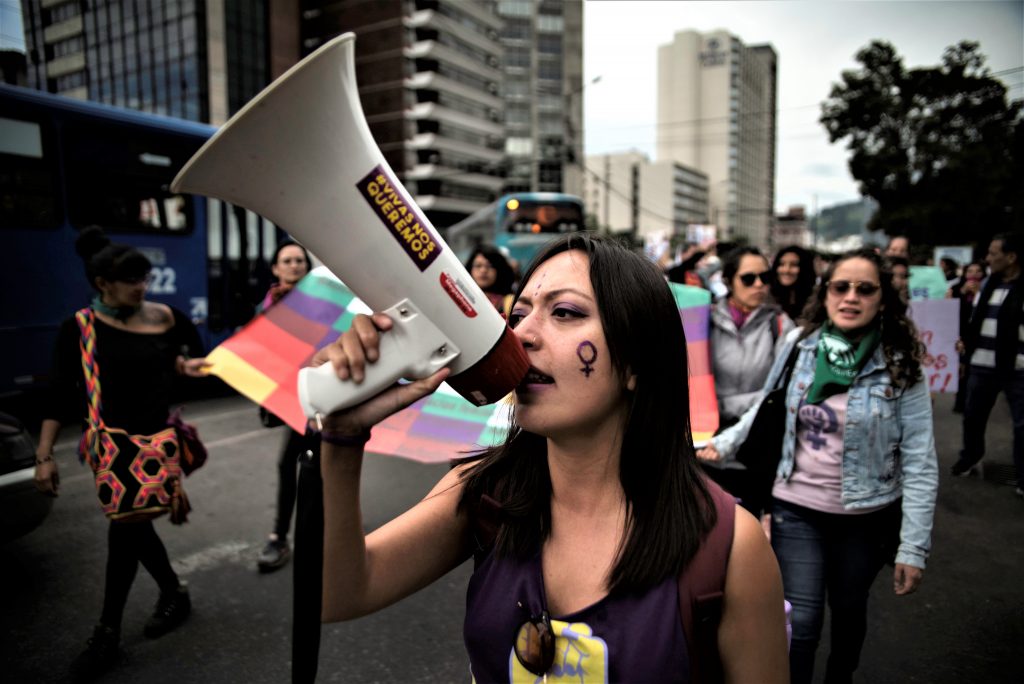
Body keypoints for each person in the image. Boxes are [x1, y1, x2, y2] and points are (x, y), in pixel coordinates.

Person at [315, 234, 788, 681]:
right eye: (517, 316)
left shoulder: (728, 546)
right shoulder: (483, 493)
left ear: (636, 364)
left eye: (563, 312)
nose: (520, 336)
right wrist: (342, 438)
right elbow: (336, 594)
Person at [698, 247, 939, 684]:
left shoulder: (902, 364)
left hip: (866, 517)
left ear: (882, 299)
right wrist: (723, 443)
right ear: (825, 294)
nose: (851, 297)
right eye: (840, 287)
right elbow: (766, 407)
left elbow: (921, 459)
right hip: (796, 508)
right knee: (802, 623)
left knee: (848, 613)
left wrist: (913, 546)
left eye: (865, 289)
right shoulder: (799, 345)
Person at [33, 226, 208, 682]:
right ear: (101, 283)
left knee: (127, 529)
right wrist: (44, 454)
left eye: (145, 278)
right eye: (131, 280)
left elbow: (188, 358)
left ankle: (108, 631)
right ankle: (172, 592)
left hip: (157, 447)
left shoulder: (166, 317)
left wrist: (186, 366)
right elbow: (57, 395)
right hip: (112, 449)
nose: (141, 287)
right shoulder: (79, 327)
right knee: (132, 526)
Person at [706, 246, 794, 514]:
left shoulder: (780, 324)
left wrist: (724, 404)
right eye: (748, 278)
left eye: (765, 277)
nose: (759, 285)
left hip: (755, 449)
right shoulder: (702, 321)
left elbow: (780, 392)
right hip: (705, 445)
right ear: (728, 281)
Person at [257, 240, 316, 572]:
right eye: (287, 261)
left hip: (322, 400)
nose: (294, 265)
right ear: (276, 269)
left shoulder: (324, 303)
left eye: (299, 260)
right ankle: (285, 536)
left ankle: (285, 537)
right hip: (291, 402)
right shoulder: (266, 307)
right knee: (294, 467)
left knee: (310, 468)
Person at [952, 234, 1024, 498]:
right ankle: (970, 457)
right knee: (972, 416)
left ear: (1011, 257)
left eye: (994, 254)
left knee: (1022, 425)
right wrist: (965, 345)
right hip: (981, 364)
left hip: (1017, 369)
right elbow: (974, 321)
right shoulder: (987, 285)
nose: (988, 259)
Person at [465, 243, 517, 316]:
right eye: (478, 266)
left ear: (499, 270)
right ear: (470, 269)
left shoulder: (510, 304)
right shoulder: (462, 298)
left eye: (490, 266)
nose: (483, 270)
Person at [770, 245, 817, 323]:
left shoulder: (816, 301)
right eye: (781, 264)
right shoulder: (766, 299)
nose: (786, 270)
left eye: (794, 265)